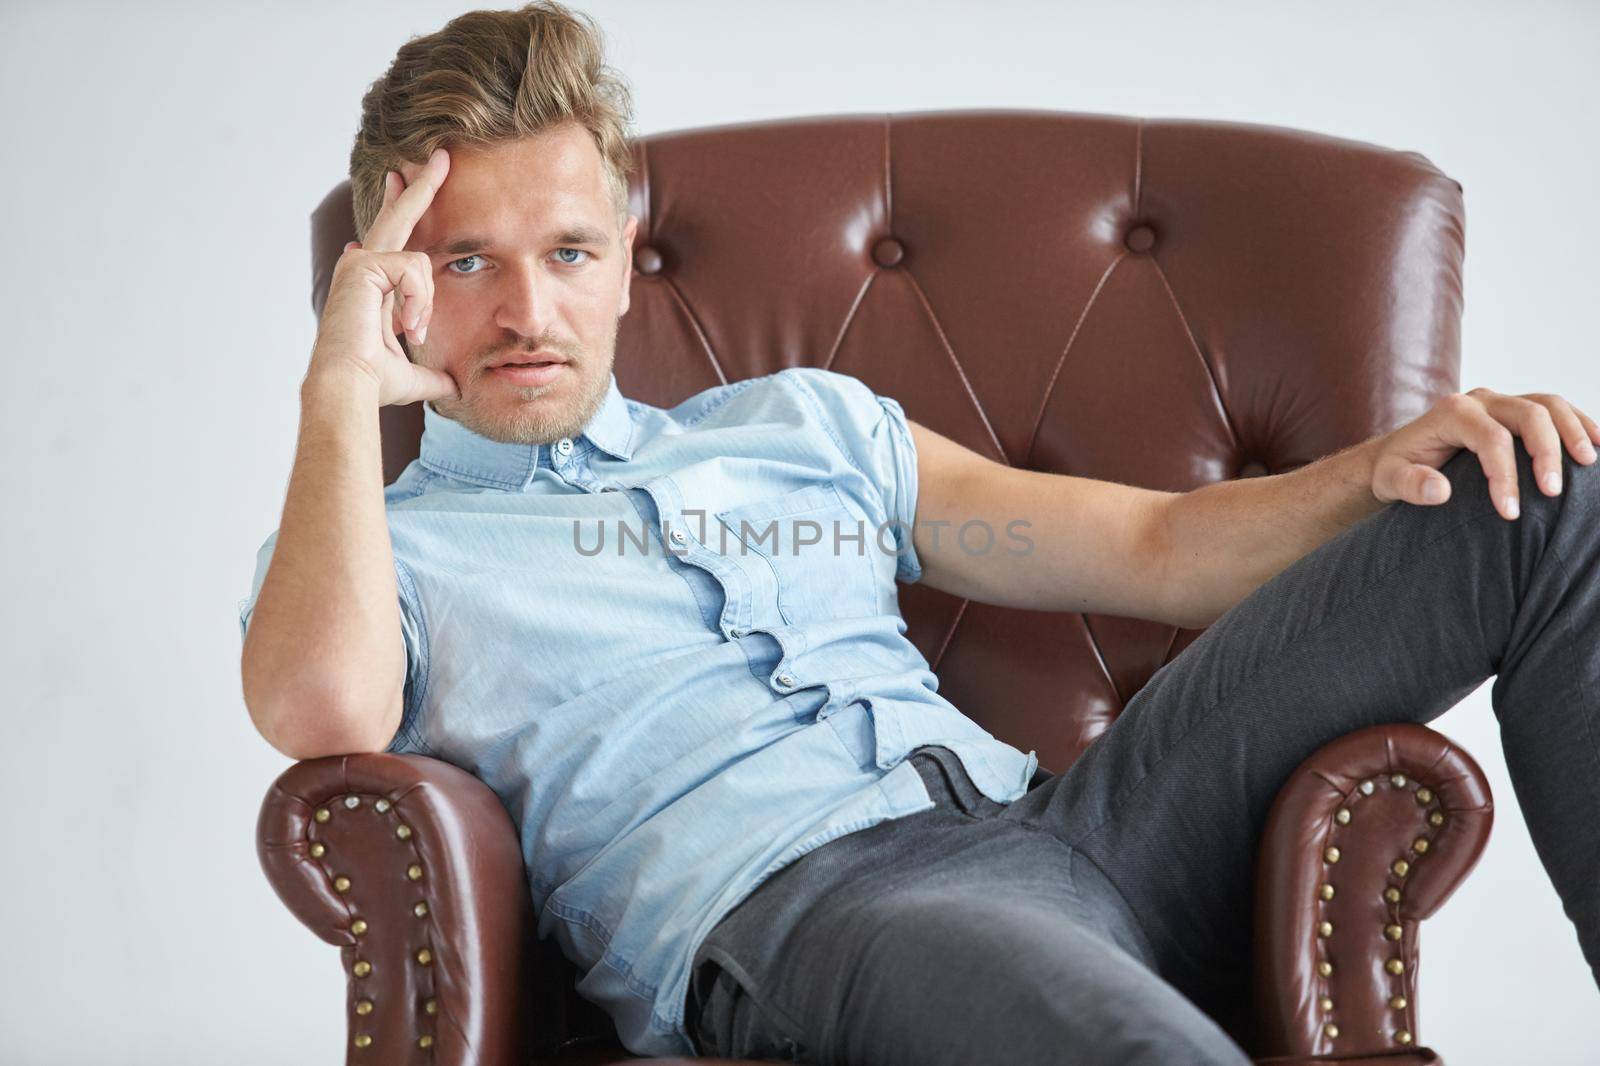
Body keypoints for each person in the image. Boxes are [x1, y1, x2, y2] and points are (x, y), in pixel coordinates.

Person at [238, 4, 1600, 1062]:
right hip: (832, 913)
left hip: (1086, 820)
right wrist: (336, 392)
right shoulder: (394, 548)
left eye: (570, 251)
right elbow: (319, 701)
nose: (530, 310)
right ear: (395, 286)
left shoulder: (799, 427)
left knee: (1542, 495)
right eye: (468, 261)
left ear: (627, 250)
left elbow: (1158, 549)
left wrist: (1379, 470)